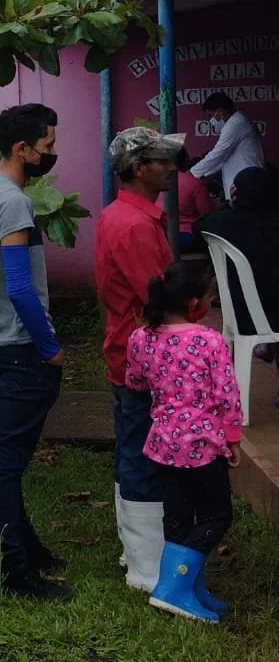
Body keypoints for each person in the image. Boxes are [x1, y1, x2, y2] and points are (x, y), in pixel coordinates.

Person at [0, 102, 71, 601]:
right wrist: (49, 347)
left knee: (9, 457)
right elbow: (21, 287)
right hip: (20, 347)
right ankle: (12, 574)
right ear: (22, 148)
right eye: (47, 145)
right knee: (6, 463)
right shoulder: (12, 203)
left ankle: (28, 550)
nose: (52, 152)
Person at [125, 262, 243, 623]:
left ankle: (189, 588)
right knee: (216, 515)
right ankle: (173, 587)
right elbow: (227, 394)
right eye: (209, 297)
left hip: (163, 444)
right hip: (203, 446)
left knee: (177, 516)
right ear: (194, 304)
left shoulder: (140, 338)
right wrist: (233, 438)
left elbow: (134, 381)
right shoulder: (210, 340)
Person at [94, 127, 181, 592]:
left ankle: (137, 555)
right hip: (145, 359)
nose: (170, 167)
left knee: (133, 447)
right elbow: (159, 298)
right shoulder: (135, 225)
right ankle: (147, 569)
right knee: (143, 454)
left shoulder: (123, 215)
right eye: (161, 160)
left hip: (128, 351)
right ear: (138, 168)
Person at [196, 165, 279, 333]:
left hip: (243, 316)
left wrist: (228, 205)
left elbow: (197, 227)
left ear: (235, 193)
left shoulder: (220, 223)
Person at [190, 91, 266, 200]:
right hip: (244, 179)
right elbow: (223, 158)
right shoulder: (235, 122)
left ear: (220, 111)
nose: (211, 120)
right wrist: (205, 174)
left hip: (248, 180)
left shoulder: (235, 123)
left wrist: (192, 173)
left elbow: (218, 154)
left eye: (211, 115)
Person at [174, 149, 214, 255]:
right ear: (185, 160)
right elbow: (206, 215)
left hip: (160, 235)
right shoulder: (194, 183)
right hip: (187, 236)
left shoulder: (155, 181)